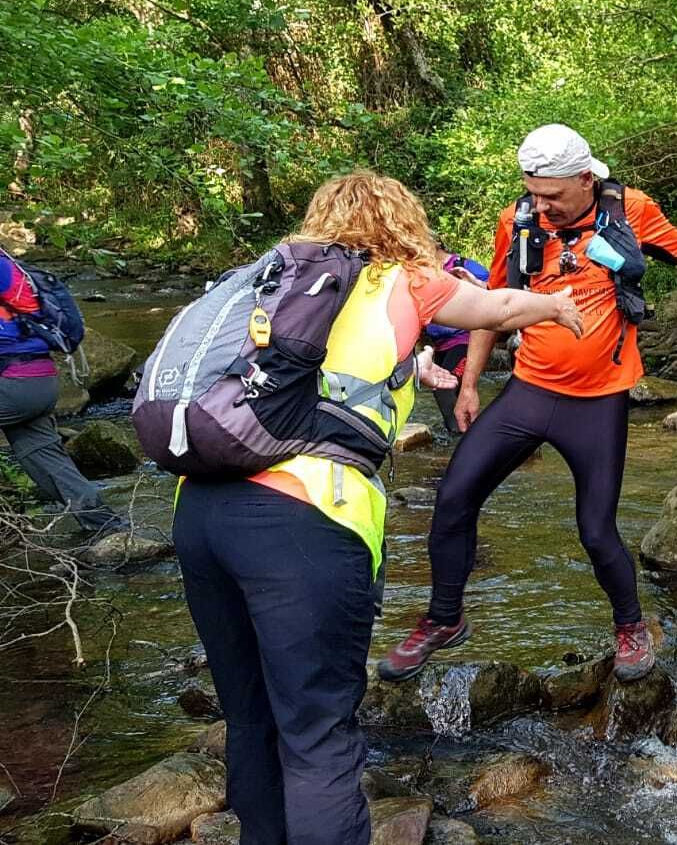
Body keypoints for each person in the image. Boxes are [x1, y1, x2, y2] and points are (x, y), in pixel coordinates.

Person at [173, 170, 581, 845]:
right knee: (318, 735)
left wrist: (410, 366)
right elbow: (498, 307)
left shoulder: (264, 278)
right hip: (303, 517)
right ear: (400, 222)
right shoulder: (402, 278)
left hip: (200, 509)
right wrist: (555, 305)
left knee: (250, 719)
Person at [380, 124, 677, 681]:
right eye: (534, 194)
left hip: (597, 401)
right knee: (453, 497)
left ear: (585, 179)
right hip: (528, 392)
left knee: (596, 530)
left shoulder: (632, 210)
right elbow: (493, 307)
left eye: (553, 196)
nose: (542, 206)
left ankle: (630, 626)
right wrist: (470, 384)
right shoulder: (518, 221)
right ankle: (444, 618)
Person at [0, 250, 125, 534]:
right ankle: (108, 528)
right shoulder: (10, 266)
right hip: (40, 382)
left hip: (13, 383)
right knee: (49, 463)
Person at [424, 239, 490, 435]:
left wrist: (470, 283)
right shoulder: (424, 270)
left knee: (443, 389)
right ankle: (468, 432)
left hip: (464, 342)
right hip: (440, 345)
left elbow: (493, 290)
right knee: (446, 390)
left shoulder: (463, 265)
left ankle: (460, 437)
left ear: (435, 244)